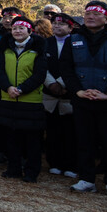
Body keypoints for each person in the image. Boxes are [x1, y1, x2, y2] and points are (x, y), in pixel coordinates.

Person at [60, 1, 107, 198]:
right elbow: (66, 69)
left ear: (106, 18)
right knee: (84, 141)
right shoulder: (73, 40)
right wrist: (77, 91)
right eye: (87, 13)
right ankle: (86, 178)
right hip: (82, 99)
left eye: (95, 13)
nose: (90, 17)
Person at [0, 18, 47, 182]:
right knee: (11, 136)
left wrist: (22, 89)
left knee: (31, 139)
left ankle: (31, 171)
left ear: (30, 31)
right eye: (15, 28)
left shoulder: (38, 49)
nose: (17, 31)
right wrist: (8, 87)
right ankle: (13, 168)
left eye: (22, 28)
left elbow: (40, 74)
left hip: (30, 100)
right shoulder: (5, 48)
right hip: (8, 98)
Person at [43, 13, 78, 178]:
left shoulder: (77, 43)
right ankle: (54, 162)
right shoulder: (45, 43)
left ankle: (71, 163)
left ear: (70, 27)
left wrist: (63, 83)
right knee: (52, 130)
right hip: (49, 93)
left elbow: (78, 67)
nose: (57, 27)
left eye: (62, 24)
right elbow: (41, 66)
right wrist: (51, 83)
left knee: (71, 131)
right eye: (55, 24)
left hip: (70, 93)